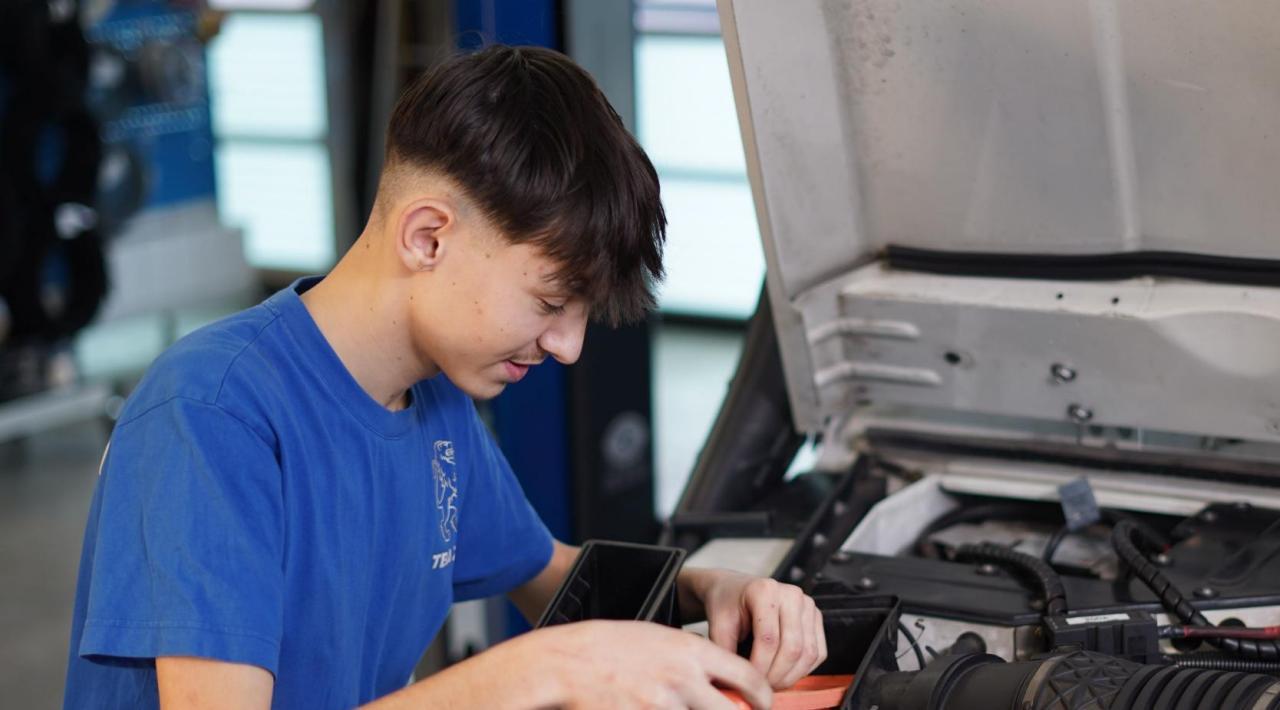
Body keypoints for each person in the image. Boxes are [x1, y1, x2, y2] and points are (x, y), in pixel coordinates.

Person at [63, 44, 824, 709]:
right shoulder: (213, 415)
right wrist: (541, 669)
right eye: (552, 301)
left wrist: (708, 590)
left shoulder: (434, 404)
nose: (569, 348)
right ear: (428, 237)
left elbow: (549, 573)